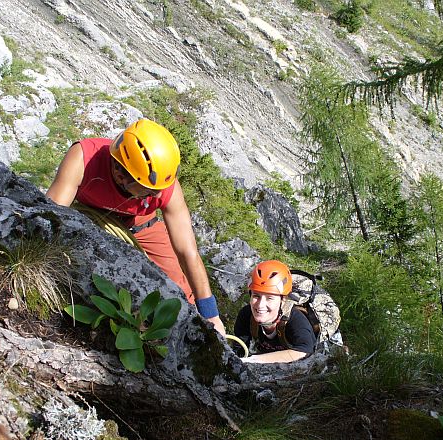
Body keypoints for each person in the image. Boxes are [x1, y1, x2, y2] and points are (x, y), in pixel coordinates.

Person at [46, 118, 225, 336]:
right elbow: (53, 217)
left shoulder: (164, 185)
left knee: (180, 285)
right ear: (121, 176)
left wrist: (210, 314)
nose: (159, 195)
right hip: (89, 215)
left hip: (141, 225)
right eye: (149, 191)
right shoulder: (84, 158)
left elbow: (187, 251)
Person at [234, 260, 316, 363]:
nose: (260, 305)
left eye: (270, 298)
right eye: (256, 296)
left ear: (283, 300)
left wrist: (254, 360)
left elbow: (305, 352)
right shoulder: (246, 315)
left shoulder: (295, 319)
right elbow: (239, 350)